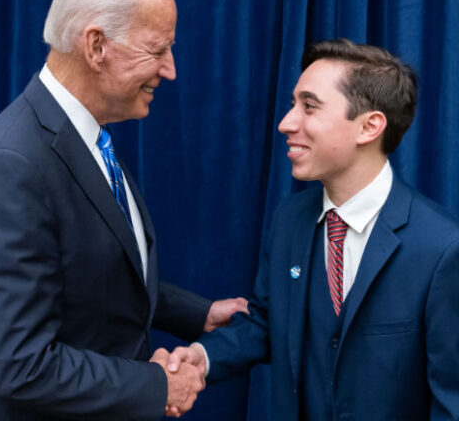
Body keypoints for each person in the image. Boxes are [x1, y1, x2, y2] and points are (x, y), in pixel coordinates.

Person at [0, 0, 247, 421]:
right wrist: (159, 384)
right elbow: (19, 365)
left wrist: (199, 314)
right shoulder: (12, 162)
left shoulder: (83, 134)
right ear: (96, 45)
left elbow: (92, 272)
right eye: (157, 49)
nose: (170, 70)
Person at [167, 39, 459, 420]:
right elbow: (267, 323)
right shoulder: (289, 219)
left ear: (369, 126)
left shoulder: (442, 248)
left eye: (309, 106)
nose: (286, 123)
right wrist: (203, 358)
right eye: (293, 105)